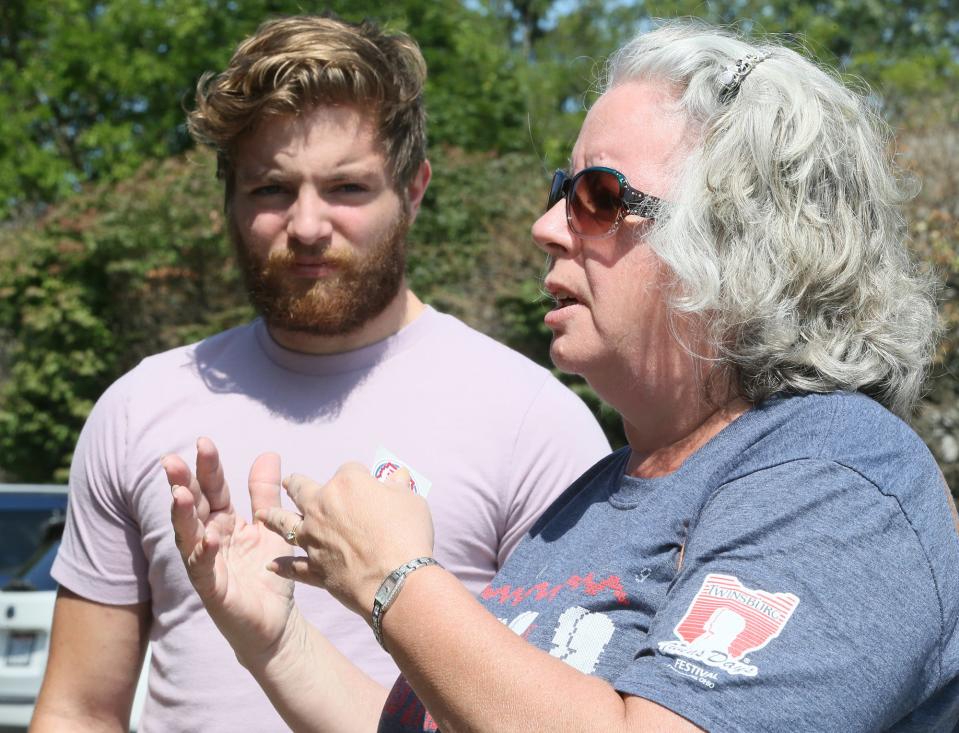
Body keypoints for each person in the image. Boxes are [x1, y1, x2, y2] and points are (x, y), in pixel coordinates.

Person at [170, 19, 959, 732]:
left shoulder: (839, 480)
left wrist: (397, 579)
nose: (547, 228)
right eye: (560, 191)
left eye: (597, 197)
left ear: (743, 238)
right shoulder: (591, 498)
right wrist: (276, 640)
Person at [30, 14, 610, 733]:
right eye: (272, 189)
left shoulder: (533, 423)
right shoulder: (138, 408)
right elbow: (79, 710)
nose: (306, 225)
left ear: (415, 190)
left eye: (347, 188)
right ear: (229, 201)